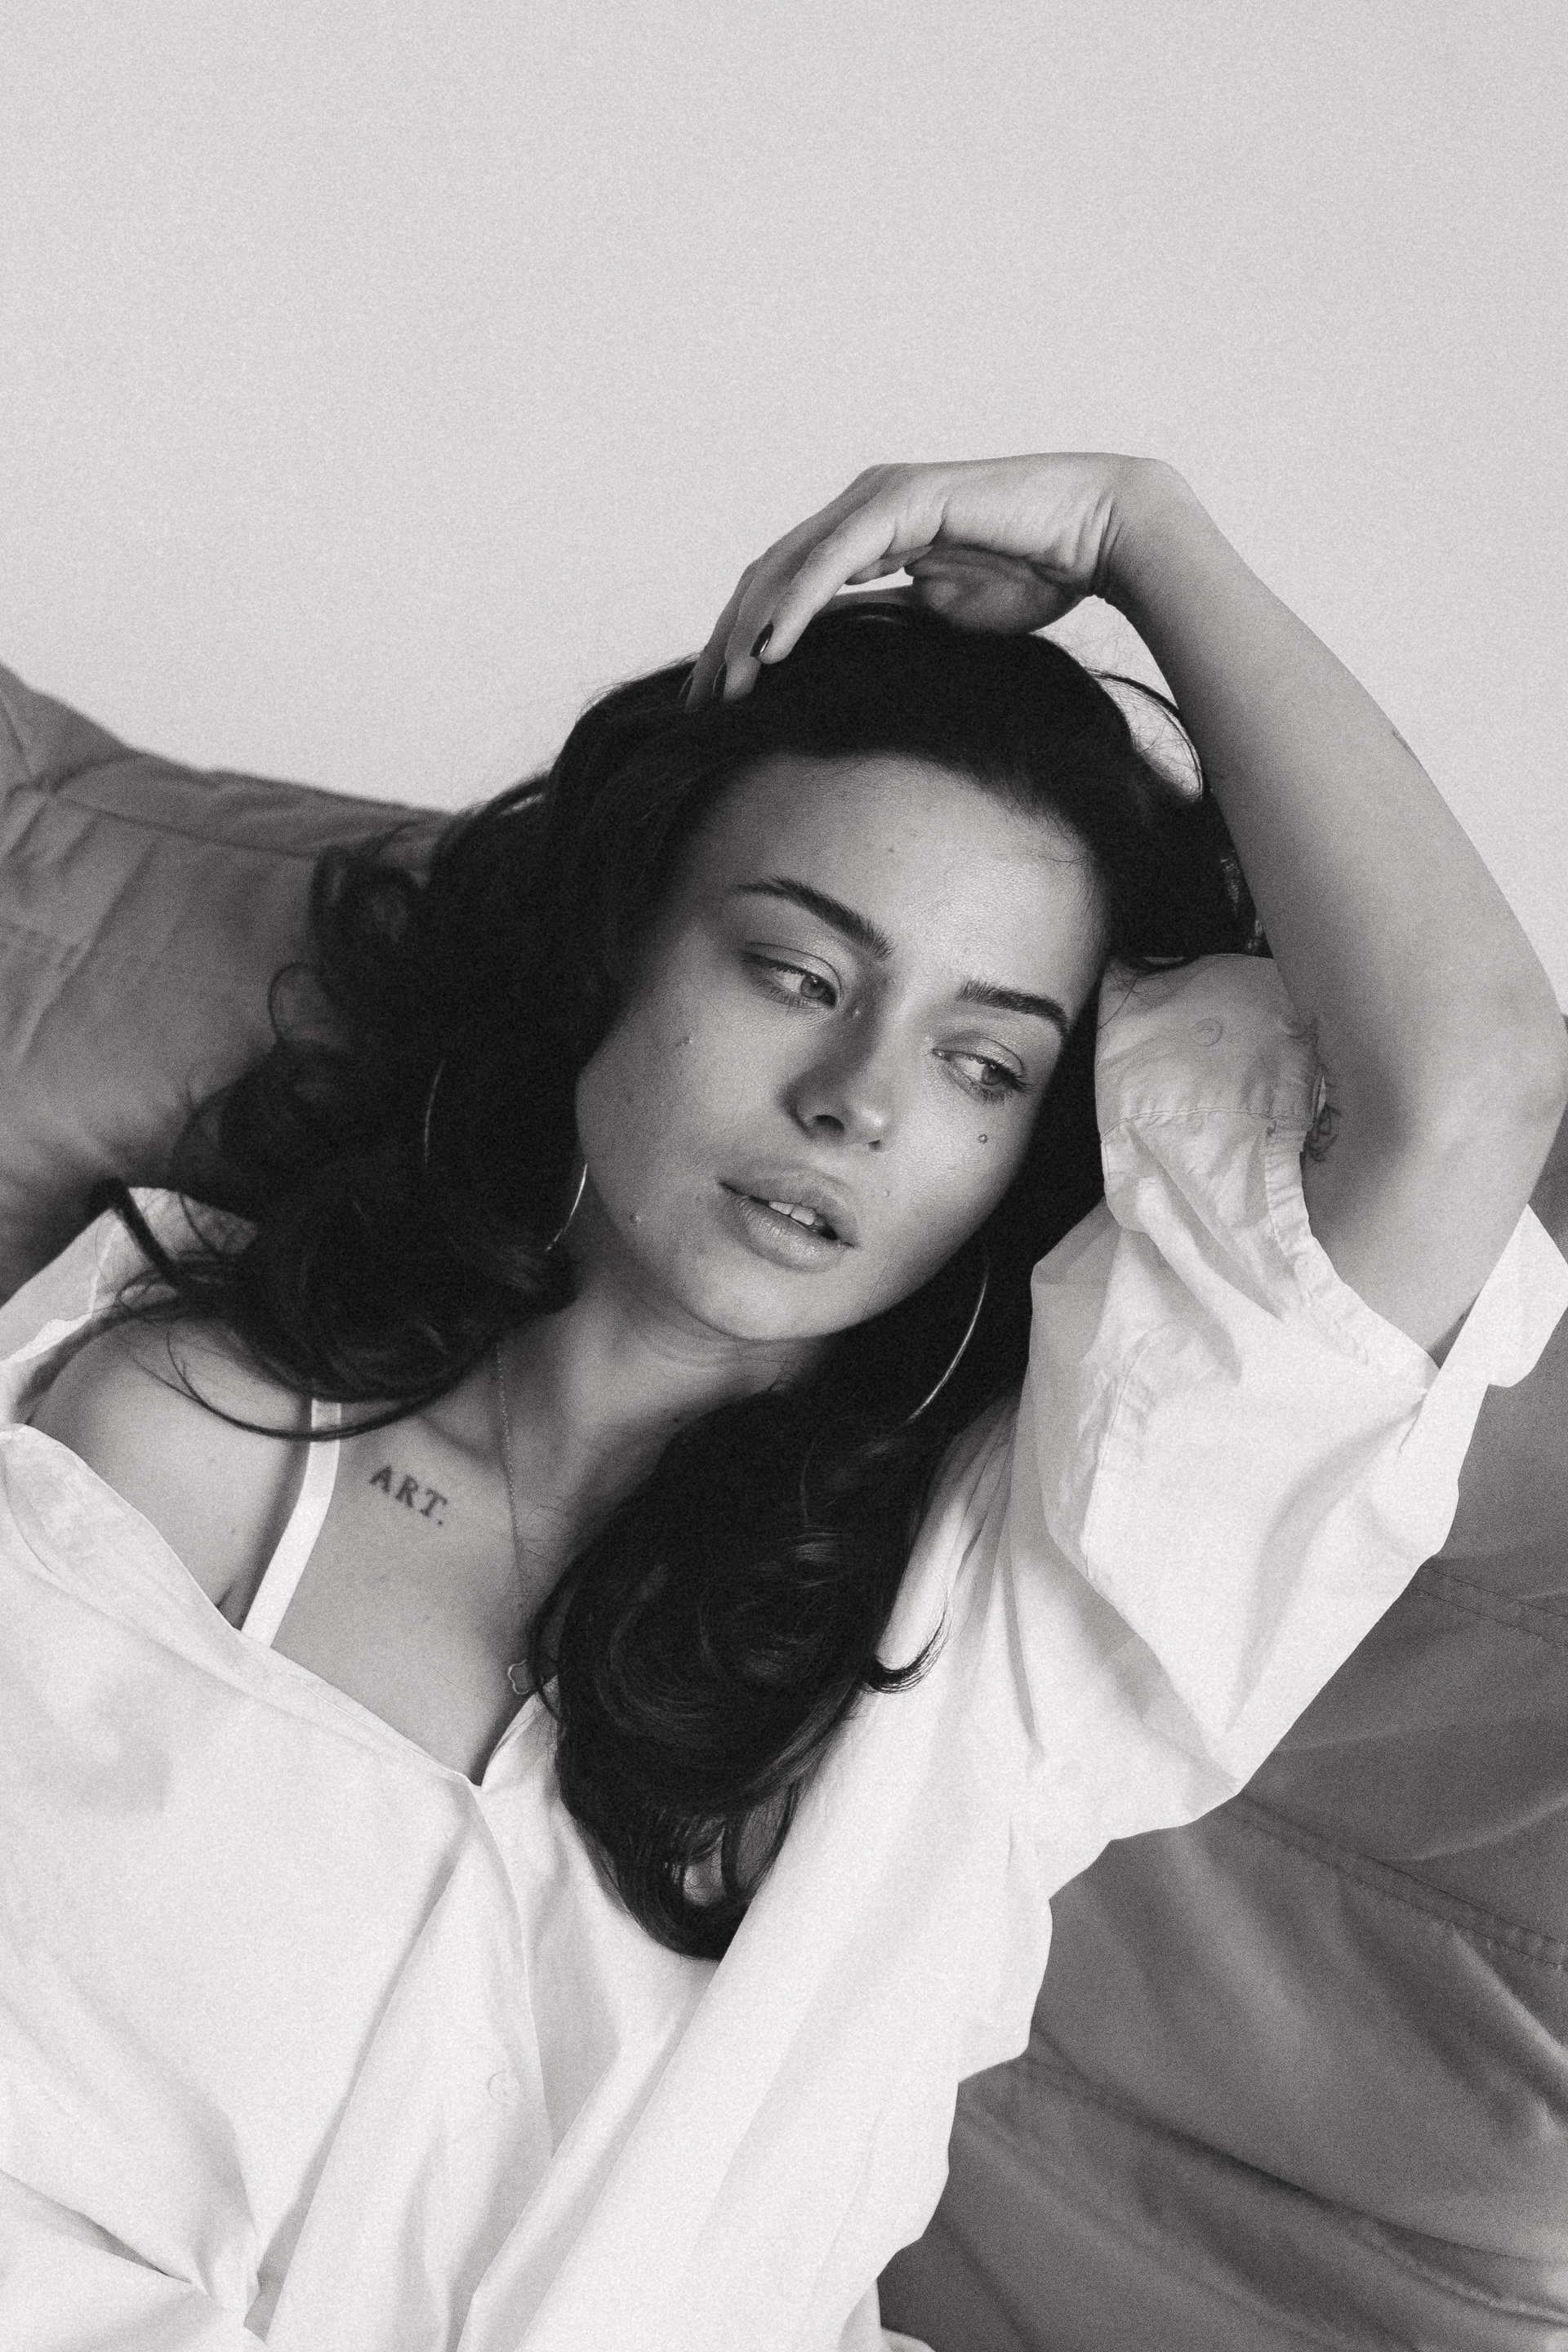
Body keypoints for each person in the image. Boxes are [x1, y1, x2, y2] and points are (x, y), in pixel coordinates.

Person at [1, 451, 1564, 2351]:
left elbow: (1464, 1093)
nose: (858, 1100)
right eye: (797, 971)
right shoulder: (181, 1421)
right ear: (613, 951)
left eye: (984, 1065)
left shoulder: (1010, 1614)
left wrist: (1142, 534)